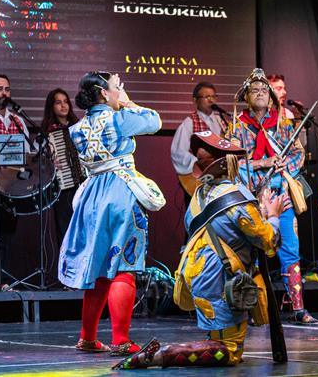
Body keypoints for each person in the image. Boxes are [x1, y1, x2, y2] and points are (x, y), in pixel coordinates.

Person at [113, 131, 284, 369]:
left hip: (199, 276)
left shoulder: (198, 197)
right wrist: (273, 216)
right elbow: (268, 241)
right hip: (222, 281)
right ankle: (162, 355)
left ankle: (171, 353)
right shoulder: (238, 198)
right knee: (230, 351)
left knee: (219, 340)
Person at [59, 72, 165, 356]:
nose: (121, 92)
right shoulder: (119, 119)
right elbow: (154, 121)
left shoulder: (77, 128)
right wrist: (128, 103)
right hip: (119, 192)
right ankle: (121, 340)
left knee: (98, 268)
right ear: (104, 93)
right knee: (123, 267)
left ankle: (88, 337)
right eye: (117, 87)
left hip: (91, 196)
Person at [228, 68, 317, 324]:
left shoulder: (283, 125)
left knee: (290, 249)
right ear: (247, 96)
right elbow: (231, 161)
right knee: (252, 252)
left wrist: (283, 165)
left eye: (264, 90)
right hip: (251, 197)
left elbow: (298, 153)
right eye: (254, 90)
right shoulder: (237, 127)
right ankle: (254, 309)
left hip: (280, 196)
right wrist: (261, 163)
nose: (260, 94)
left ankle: (298, 308)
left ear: (270, 97)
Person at [0, 74, 30, 288]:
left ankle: (3, 280)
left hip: (11, 188)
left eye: (7, 89)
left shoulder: (18, 120)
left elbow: (27, 152)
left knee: (7, 234)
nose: (4, 93)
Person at [40, 88, 80, 260]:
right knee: (65, 228)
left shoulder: (79, 127)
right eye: (58, 102)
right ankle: (66, 267)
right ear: (52, 106)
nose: (63, 106)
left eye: (66, 102)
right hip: (63, 187)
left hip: (83, 184)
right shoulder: (48, 132)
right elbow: (41, 161)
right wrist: (49, 162)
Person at [170, 82, 227, 199]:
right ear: (195, 100)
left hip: (219, 178)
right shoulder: (189, 122)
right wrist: (199, 163)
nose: (211, 100)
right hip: (199, 179)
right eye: (206, 97)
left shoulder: (221, 121)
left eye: (213, 96)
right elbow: (178, 153)